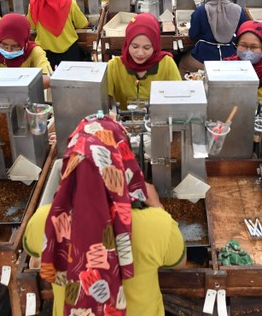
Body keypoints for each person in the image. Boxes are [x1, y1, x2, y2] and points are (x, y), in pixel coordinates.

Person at [25, 115, 184, 315]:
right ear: (124, 166)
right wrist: (157, 206)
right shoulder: (158, 224)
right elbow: (180, 262)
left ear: (70, 166)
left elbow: (34, 254)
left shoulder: (44, 220)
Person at [179, 0, 247, 76]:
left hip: (204, 56)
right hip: (230, 56)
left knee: (183, 64)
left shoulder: (201, 11)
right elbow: (242, 34)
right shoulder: (239, 10)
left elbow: (193, 35)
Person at [107, 13, 181, 108]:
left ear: (155, 46)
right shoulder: (114, 66)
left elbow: (178, 97)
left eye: (147, 47)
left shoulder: (167, 64)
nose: (140, 53)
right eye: (135, 46)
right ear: (127, 43)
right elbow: (103, 101)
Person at [27, 0, 88, 68]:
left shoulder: (33, 5)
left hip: (45, 55)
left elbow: (31, 27)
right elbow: (83, 24)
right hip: (70, 53)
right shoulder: (69, 3)